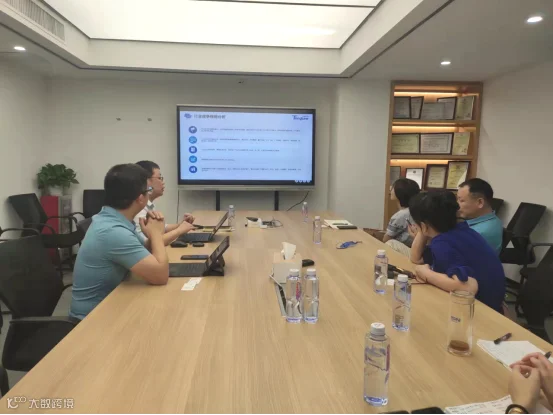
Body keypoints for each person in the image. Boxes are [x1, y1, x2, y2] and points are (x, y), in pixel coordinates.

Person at [70, 164, 171, 320]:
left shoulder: (112, 218)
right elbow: (160, 276)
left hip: (111, 305)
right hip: (91, 321)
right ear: (140, 198)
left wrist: (151, 234)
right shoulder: (113, 231)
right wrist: (156, 233)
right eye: (148, 190)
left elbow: (145, 249)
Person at [409, 190, 506, 313]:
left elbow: (468, 287)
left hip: (482, 310)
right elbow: (416, 258)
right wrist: (424, 228)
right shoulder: (462, 230)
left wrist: (425, 273)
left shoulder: (443, 243)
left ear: (423, 225)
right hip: (493, 304)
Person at [134, 160, 195, 245]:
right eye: (159, 178)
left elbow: (162, 228)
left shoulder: (148, 204)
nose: (163, 182)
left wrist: (181, 225)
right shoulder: (138, 208)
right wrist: (179, 230)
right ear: (146, 182)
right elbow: (148, 244)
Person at [457, 178, 503, 254]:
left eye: (461, 200)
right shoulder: (494, 219)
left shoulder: (477, 233)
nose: (457, 205)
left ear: (480, 202)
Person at [384, 178, 420, 256]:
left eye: (393, 187)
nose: (390, 189)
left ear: (400, 192)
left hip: (410, 251)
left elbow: (386, 239)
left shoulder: (400, 215)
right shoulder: (414, 210)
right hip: (416, 249)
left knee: (390, 243)